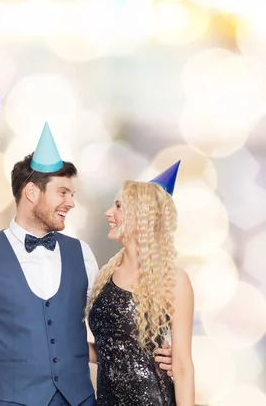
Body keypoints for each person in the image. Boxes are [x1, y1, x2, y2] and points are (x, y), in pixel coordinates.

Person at [0, 123, 172, 406]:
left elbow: (109, 332)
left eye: (72, 194)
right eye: (62, 193)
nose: (71, 203)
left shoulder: (82, 254)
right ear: (31, 193)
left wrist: (156, 355)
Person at [86, 161, 195, 406]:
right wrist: (61, 347)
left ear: (141, 215)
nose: (108, 213)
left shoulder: (175, 280)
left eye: (118, 206)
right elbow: (109, 348)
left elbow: (183, 366)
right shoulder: (106, 274)